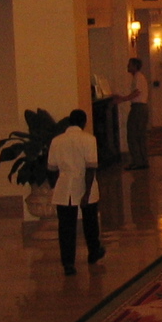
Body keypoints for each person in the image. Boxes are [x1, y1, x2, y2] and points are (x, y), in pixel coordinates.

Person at [48, 109, 104, 276]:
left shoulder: (57, 141)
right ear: (84, 122)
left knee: (66, 227)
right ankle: (93, 251)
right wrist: (86, 193)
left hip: (65, 186)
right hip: (85, 184)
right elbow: (91, 168)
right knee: (90, 222)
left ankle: (68, 264)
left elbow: (51, 168)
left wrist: (56, 185)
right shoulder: (89, 139)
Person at [116, 57, 150, 170]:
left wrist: (123, 99)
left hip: (138, 108)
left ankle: (137, 161)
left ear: (135, 66)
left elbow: (137, 92)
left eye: (129, 64)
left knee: (133, 135)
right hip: (141, 108)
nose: (127, 66)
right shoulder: (138, 77)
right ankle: (142, 160)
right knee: (139, 135)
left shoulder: (138, 77)